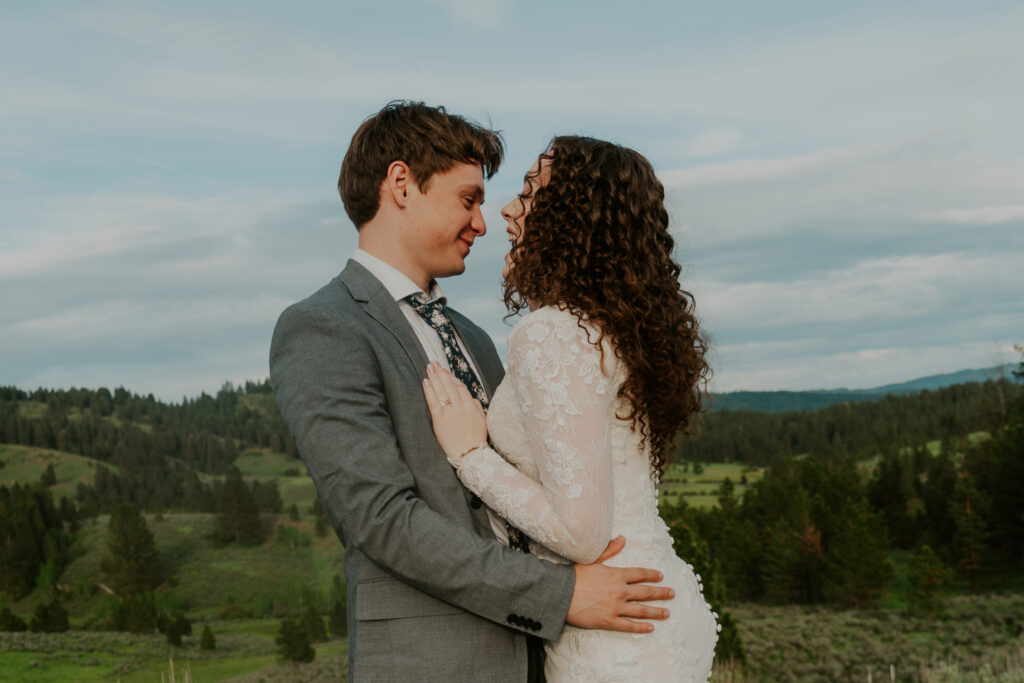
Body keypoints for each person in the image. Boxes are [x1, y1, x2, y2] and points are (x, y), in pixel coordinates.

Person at [270, 103, 674, 682]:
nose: (483, 223)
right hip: (431, 663)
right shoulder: (323, 327)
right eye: (468, 199)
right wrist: (559, 594)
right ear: (402, 184)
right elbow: (381, 519)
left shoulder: (478, 338)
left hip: (548, 658)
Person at [421, 135, 720, 681]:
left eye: (529, 193)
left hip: (614, 631)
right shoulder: (615, 330)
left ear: (572, 217)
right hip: (653, 605)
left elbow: (582, 534)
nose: (508, 211)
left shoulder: (552, 334)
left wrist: (470, 457)